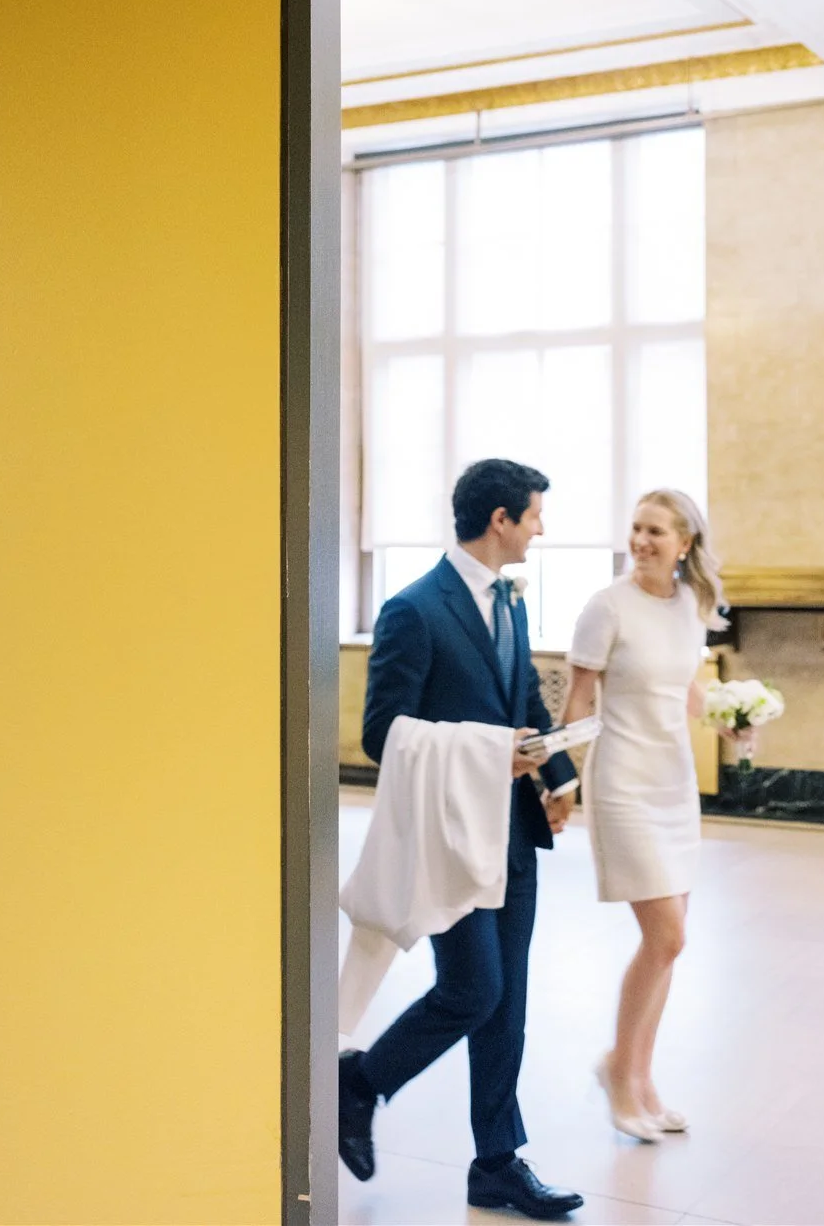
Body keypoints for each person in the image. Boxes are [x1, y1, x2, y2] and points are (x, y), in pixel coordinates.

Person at [338, 458, 585, 1221]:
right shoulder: (414, 609)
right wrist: (483, 751)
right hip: (452, 836)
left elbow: (523, 707)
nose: (542, 528)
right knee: (473, 989)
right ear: (501, 519)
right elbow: (384, 733)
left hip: (510, 826)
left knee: (506, 1004)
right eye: (536, 515)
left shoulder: (512, 602)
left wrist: (562, 778)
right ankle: (360, 1083)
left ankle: (497, 1165)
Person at [562, 488, 730, 1142]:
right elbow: (578, 702)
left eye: (655, 531)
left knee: (667, 949)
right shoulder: (605, 607)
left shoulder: (691, 603)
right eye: (636, 528)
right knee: (668, 937)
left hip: (672, 781)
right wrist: (562, 784)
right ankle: (618, 1073)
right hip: (624, 782)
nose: (641, 541)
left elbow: (684, 684)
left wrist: (730, 721)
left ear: (684, 543)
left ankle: (640, 1078)